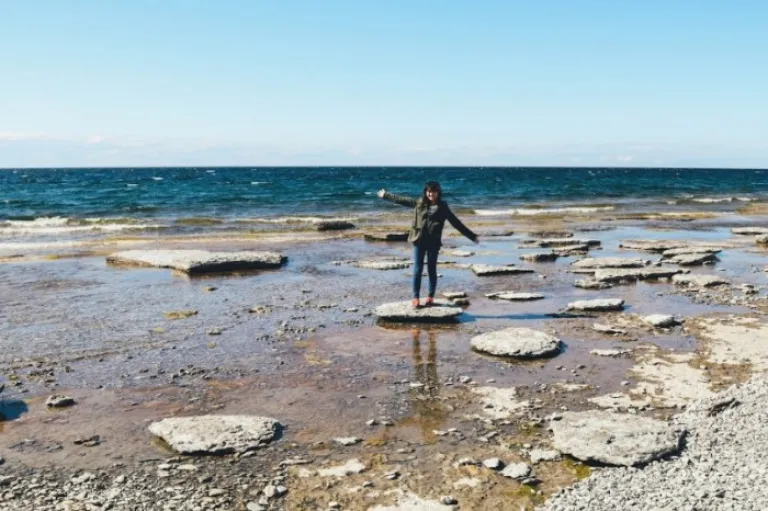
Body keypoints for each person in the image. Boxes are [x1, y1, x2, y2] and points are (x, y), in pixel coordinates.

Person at [378, 181, 478, 308]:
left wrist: (472, 236)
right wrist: (386, 195)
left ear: (438, 192)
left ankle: (430, 297)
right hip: (419, 240)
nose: (431, 194)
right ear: (426, 192)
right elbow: (402, 200)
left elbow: (456, 223)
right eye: (429, 191)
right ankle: (416, 298)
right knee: (417, 270)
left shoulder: (443, 207)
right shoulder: (420, 203)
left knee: (431, 270)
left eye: (434, 191)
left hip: (433, 243)